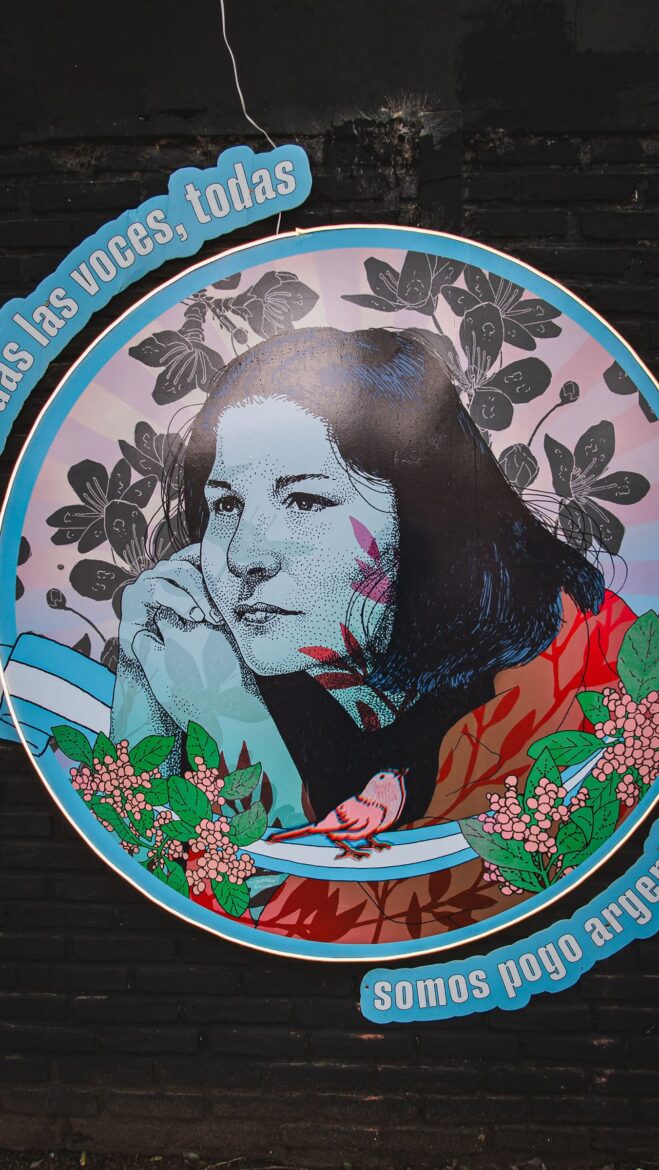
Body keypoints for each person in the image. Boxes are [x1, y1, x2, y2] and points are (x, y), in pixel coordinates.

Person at [111, 326, 606, 839]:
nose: (241, 556)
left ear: (425, 515)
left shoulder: (557, 674)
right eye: (228, 505)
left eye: (305, 502)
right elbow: (143, 855)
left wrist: (229, 717)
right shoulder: (222, 649)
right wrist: (146, 684)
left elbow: (336, 888)